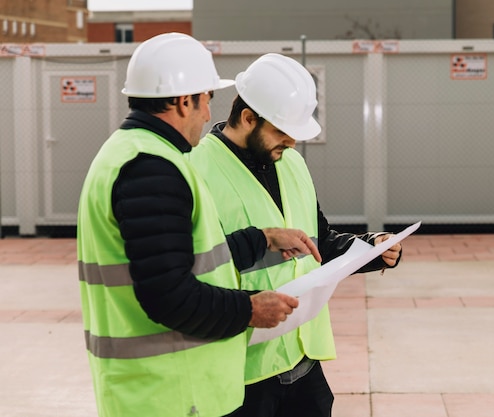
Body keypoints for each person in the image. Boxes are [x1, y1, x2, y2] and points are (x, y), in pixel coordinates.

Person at [76, 34, 321, 417]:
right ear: (181, 100)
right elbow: (168, 294)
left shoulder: (131, 154)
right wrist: (249, 309)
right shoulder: (151, 169)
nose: (209, 115)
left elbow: (187, 259)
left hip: (158, 385)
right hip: (167, 389)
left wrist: (260, 239)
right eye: (205, 99)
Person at [188, 53, 402, 417]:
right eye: (282, 132)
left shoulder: (291, 162)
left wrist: (370, 248)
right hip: (243, 373)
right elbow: (193, 268)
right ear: (248, 118)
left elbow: (316, 242)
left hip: (304, 362)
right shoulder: (195, 170)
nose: (291, 143)